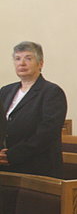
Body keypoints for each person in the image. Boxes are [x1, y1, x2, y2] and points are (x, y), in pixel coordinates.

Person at [0, 41, 67, 178]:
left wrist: (13, 155)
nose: (22, 63)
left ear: (40, 63)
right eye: (17, 59)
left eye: (28, 58)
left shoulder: (52, 92)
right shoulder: (5, 91)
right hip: (5, 164)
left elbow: (47, 132)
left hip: (36, 166)